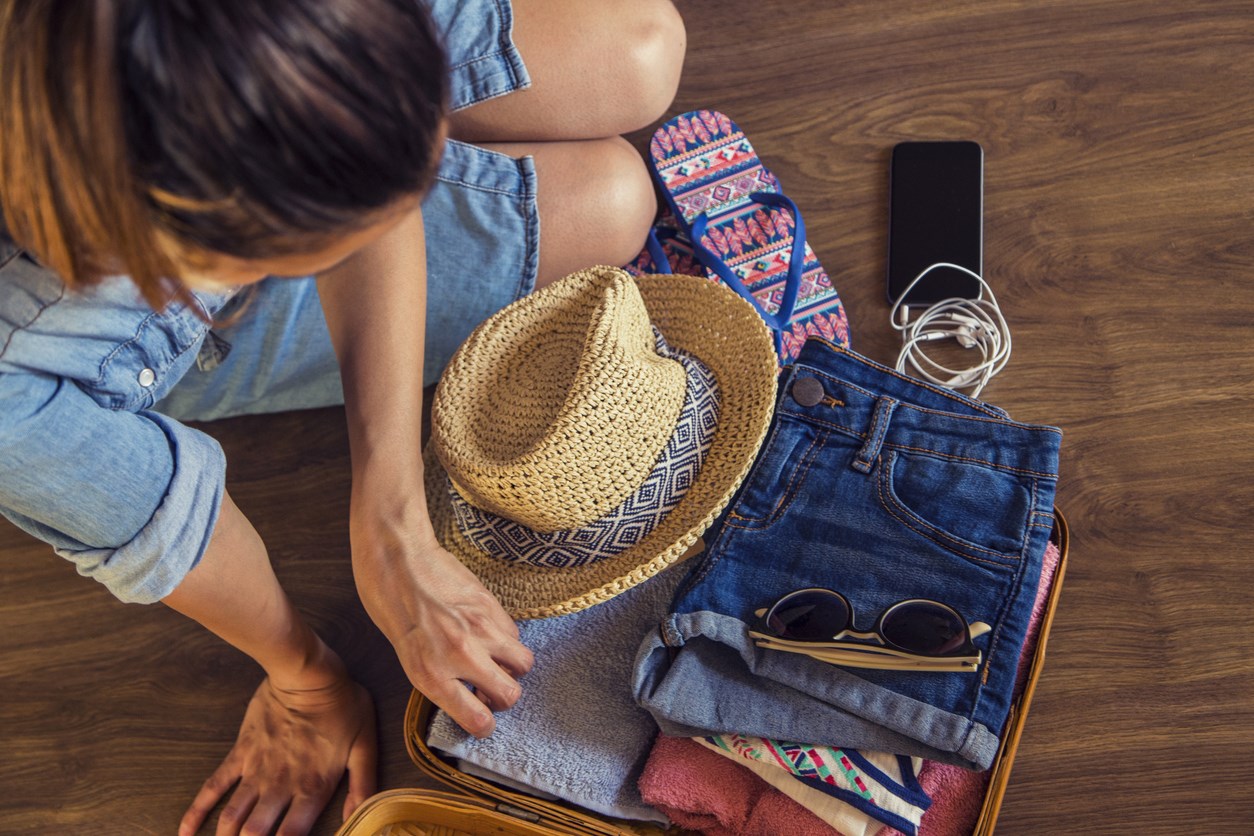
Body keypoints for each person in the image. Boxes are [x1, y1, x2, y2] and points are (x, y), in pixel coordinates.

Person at [0, 0, 686, 833]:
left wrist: (392, 517)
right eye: (313, 247)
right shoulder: (16, 388)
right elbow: (165, 526)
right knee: (611, 202)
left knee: (646, 55)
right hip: (105, 330)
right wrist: (304, 679)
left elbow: (371, 200)